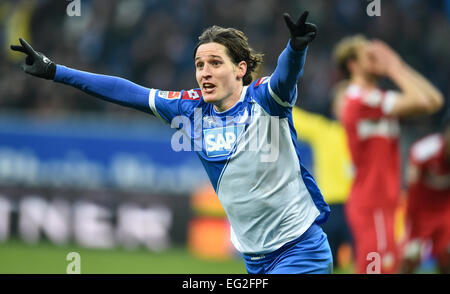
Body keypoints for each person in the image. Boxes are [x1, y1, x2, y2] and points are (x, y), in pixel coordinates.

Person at [11, 11, 333, 274]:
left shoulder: (265, 99)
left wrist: (296, 48)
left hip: (300, 251)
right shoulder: (188, 108)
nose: (205, 72)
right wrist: (56, 71)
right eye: (199, 65)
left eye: (215, 63)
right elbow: (127, 92)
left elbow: (286, 76)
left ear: (241, 69)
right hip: (254, 261)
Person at [333, 35, 443, 274]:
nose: (376, 60)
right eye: (368, 56)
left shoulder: (375, 100)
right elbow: (424, 101)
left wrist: (398, 65)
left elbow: (436, 101)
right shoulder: (359, 100)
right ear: (352, 64)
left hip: (384, 201)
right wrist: (394, 67)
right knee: (377, 269)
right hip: (372, 201)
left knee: (383, 268)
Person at [292, 81, 353, 270]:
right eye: (342, 101)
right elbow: (293, 117)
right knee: (326, 265)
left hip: (358, 206)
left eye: (350, 101)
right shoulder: (325, 131)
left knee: (366, 261)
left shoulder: (368, 135)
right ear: (334, 107)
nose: (346, 106)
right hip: (329, 208)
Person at [400, 114, 450, 274]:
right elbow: (411, 182)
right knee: (410, 258)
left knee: (447, 257)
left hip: (445, 212)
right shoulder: (425, 150)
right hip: (419, 213)